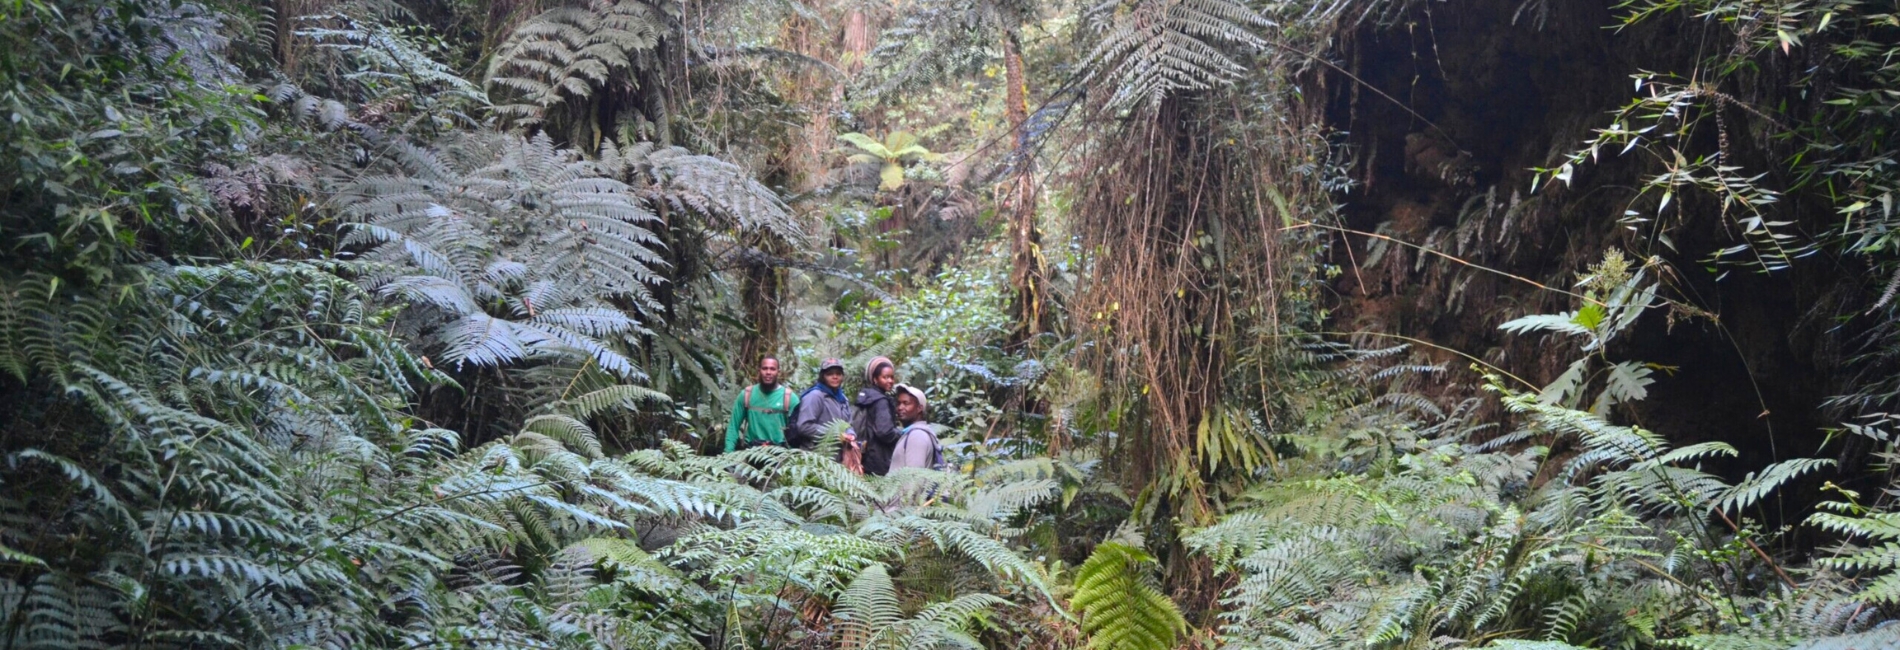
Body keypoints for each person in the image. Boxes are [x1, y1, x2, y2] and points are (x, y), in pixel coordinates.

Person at [724, 356, 800, 453]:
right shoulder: (747, 395)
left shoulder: (790, 398)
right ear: (759, 370)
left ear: (778, 372)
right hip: (750, 453)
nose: (768, 372)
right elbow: (733, 426)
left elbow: (796, 433)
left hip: (779, 455)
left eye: (772, 369)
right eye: (765, 368)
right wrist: (728, 454)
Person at [852, 356, 904, 475]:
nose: (890, 381)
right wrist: (901, 434)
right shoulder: (881, 401)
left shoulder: (866, 397)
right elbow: (885, 432)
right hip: (879, 458)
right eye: (885, 377)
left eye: (891, 377)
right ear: (875, 379)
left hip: (865, 455)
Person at [790, 358, 853, 452]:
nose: (835, 377)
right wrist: (834, 434)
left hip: (838, 456)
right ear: (823, 376)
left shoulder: (843, 398)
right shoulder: (815, 396)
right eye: (830, 374)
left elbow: (848, 425)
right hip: (816, 454)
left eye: (838, 374)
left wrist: (851, 434)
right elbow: (804, 426)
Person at [888, 383, 944, 472]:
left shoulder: (917, 436)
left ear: (919, 408)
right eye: (898, 403)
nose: (899, 407)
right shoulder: (913, 433)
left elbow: (914, 479)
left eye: (906, 403)